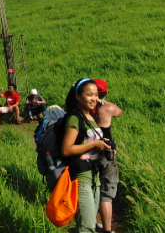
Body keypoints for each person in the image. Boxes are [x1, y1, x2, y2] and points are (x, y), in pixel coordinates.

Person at [61, 78, 112, 233]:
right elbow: (67, 149)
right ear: (78, 96)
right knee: (87, 227)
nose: (94, 99)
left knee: (90, 224)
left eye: (96, 95)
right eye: (90, 95)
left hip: (94, 175)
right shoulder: (75, 118)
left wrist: (104, 147)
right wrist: (93, 144)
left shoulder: (91, 118)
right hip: (81, 176)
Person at [93, 79, 122, 233]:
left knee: (90, 188)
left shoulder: (84, 109)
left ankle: (92, 223)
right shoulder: (107, 109)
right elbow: (119, 111)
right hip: (106, 152)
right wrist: (102, 100)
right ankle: (107, 230)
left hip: (88, 152)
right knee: (106, 195)